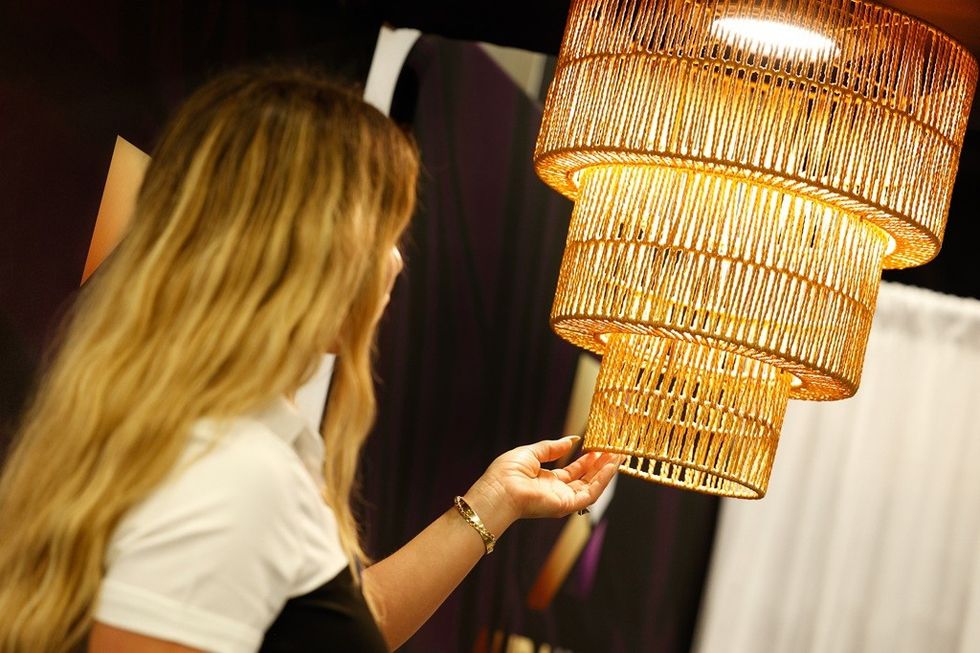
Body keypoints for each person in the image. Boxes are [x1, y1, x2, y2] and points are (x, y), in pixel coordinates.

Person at [0, 68, 619, 653]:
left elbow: (318, 629)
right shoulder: (233, 472)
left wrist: (494, 502)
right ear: (308, 249)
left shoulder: (217, 437)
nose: (396, 262)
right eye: (384, 233)